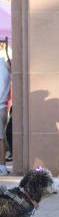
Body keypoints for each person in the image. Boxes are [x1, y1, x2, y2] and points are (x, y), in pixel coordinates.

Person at [0, 48, 9, 176]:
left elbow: (1, 89)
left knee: (0, 137)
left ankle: (1, 166)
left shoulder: (1, 67)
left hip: (0, 106)